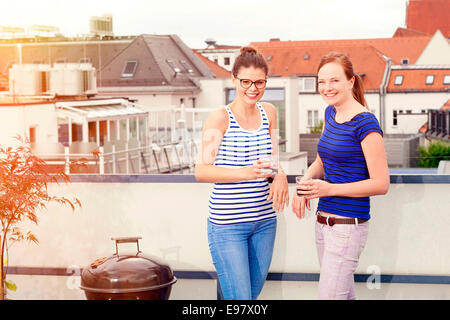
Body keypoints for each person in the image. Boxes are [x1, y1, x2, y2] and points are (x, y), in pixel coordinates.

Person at [292, 52, 389, 300]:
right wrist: (303, 186)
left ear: (351, 81)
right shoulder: (330, 114)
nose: (327, 87)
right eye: (321, 82)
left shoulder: (365, 124)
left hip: (347, 227)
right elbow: (321, 162)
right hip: (323, 224)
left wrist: (329, 190)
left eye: (334, 80)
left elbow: (381, 183)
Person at [195, 46, 289, 300]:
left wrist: (279, 173)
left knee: (248, 295)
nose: (253, 88)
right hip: (227, 227)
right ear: (234, 79)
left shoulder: (269, 112)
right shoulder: (220, 118)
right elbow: (202, 171)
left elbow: (272, 160)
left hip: (265, 222)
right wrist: (245, 173)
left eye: (260, 82)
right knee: (241, 300)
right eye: (245, 82)